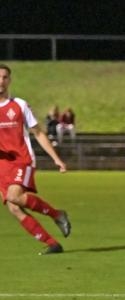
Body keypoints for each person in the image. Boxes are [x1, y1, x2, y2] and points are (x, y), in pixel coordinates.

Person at [0, 64, 72, 255]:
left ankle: (57, 214)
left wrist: (56, 159)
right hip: (1, 166)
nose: (1, 81)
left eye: (4, 77)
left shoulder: (19, 105)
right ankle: (52, 244)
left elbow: (38, 133)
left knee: (13, 196)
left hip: (21, 159)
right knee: (14, 209)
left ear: (9, 80)